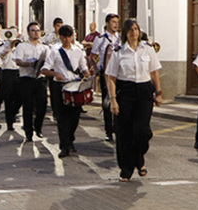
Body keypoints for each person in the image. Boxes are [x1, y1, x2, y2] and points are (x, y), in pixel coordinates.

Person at [106, 19, 162, 180]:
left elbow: (154, 73)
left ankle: (139, 158)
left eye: (136, 29)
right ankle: (126, 169)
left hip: (144, 92)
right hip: (125, 92)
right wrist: (113, 100)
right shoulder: (118, 51)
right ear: (125, 33)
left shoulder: (148, 49)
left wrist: (158, 92)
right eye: (130, 30)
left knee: (143, 131)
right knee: (124, 133)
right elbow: (111, 78)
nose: (134, 32)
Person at [42, 25, 89, 158]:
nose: (67, 40)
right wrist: (55, 73)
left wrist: (86, 73)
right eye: (64, 37)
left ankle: (70, 139)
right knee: (62, 118)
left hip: (74, 86)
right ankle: (64, 146)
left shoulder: (78, 51)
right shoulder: (55, 51)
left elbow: (83, 67)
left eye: (69, 37)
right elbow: (44, 69)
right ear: (60, 38)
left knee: (74, 117)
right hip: (59, 87)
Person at [15, 22, 49, 142]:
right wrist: (30, 64)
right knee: (28, 106)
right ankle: (28, 132)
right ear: (28, 33)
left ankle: (38, 126)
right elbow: (18, 61)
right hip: (26, 78)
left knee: (42, 104)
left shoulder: (44, 47)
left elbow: (49, 62)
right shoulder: (22, 46)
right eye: (33, 30)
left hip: (40, 78)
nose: (36, 33)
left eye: (38, 30)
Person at [92, 14, 120, 142]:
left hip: (119, 74)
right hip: (106, 74)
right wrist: (97, 70)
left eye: (117, 22)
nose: (116, 24)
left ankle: (118, 127)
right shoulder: (100, 39)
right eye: (113, 22)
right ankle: (109, 130)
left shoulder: (120, 38)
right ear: (107, 23)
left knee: (119, 101)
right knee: (107, 102)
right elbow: (92, 57)